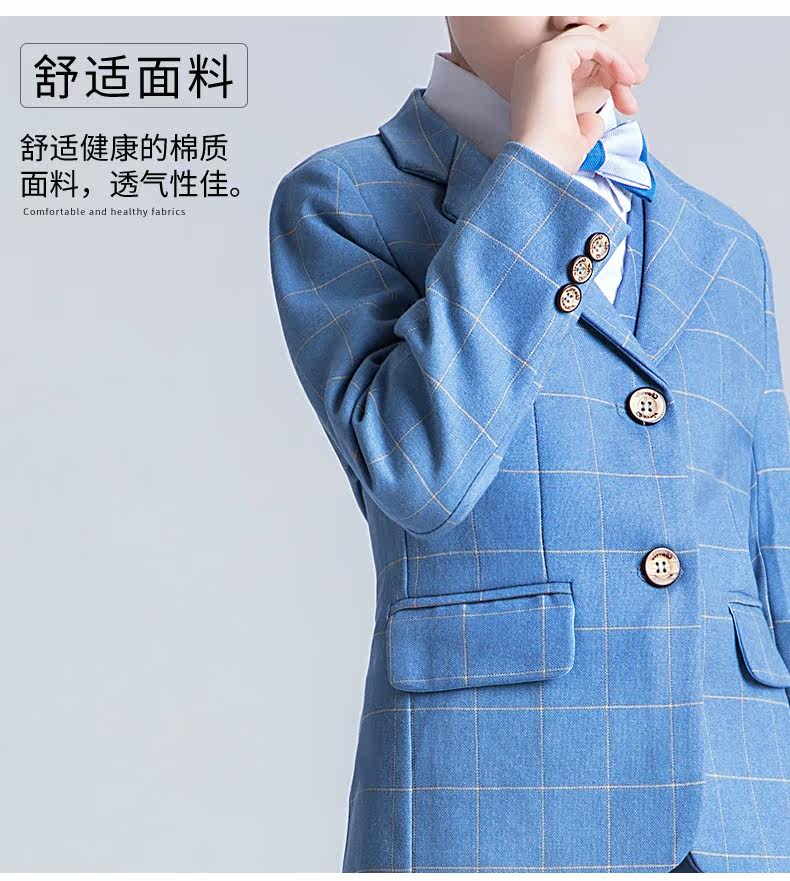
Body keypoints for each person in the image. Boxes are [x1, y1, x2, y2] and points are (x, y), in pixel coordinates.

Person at [268, 16, 790, 873]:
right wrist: (539, 174)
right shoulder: (343, 199)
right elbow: (420, 470)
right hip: (494, 799)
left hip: (742, 813)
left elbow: (772, 542)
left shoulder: (727, 245)